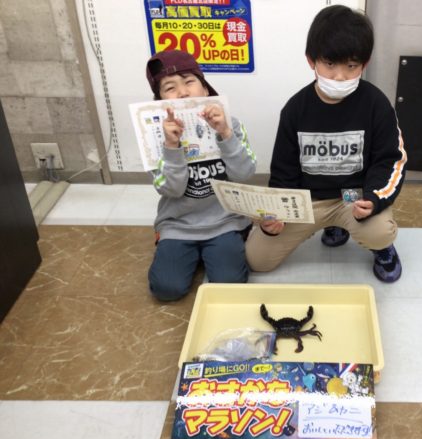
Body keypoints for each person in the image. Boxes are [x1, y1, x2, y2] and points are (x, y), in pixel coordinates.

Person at [245, 5, 407, 282]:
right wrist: (278, 214)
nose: (340, 76)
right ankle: (334, 226)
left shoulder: (377, 105)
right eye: (330, 64)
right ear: (312, 61)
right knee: (257, 259)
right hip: (308, 200)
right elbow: (284, 170)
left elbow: (390, 160)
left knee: (380, 232)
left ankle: (381, 248)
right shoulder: (295, 109)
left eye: (351, 66)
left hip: (352, 197)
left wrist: (374, 199)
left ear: (364, 64)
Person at [145, 49, 256, 301]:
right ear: (160, 100)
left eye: (189, 81)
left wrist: (225, 134)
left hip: (225, 221)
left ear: (205, 89)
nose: (183, 92)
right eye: (170, 88)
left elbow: (245, 174)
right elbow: (171, 189)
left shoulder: (230, 124)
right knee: (166, 289)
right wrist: (171, 147)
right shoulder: (155, 135)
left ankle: (211, 253)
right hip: (178, 224)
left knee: (229, 285)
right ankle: (186, 253)